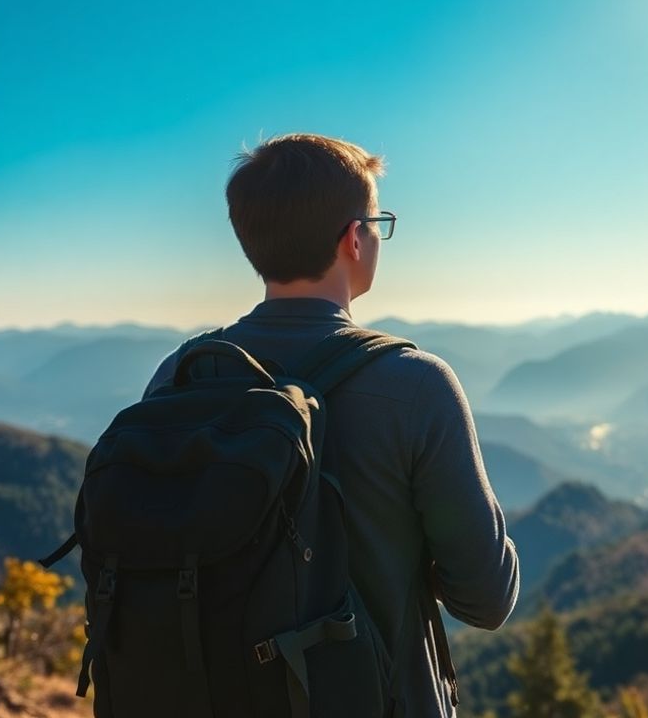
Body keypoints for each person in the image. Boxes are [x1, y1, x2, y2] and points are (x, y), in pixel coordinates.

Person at [143, 133, 520, 717]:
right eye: (377, 223)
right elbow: (486, 601)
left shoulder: (180, 374)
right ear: (353, 238)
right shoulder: (415, 384)